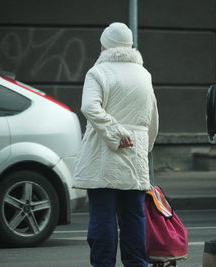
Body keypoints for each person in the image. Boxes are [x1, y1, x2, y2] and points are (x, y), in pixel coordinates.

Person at [73, 22, 159, 267]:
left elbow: (90, 107)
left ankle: (103, 264)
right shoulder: (144, 74)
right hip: (135, 154)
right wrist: (144, 147)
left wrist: (115, 132)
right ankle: (136, 263)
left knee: (103, 217)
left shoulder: (97, 73)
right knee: (134, 216)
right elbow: (152, 118)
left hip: (103, 154)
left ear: (104, 45)